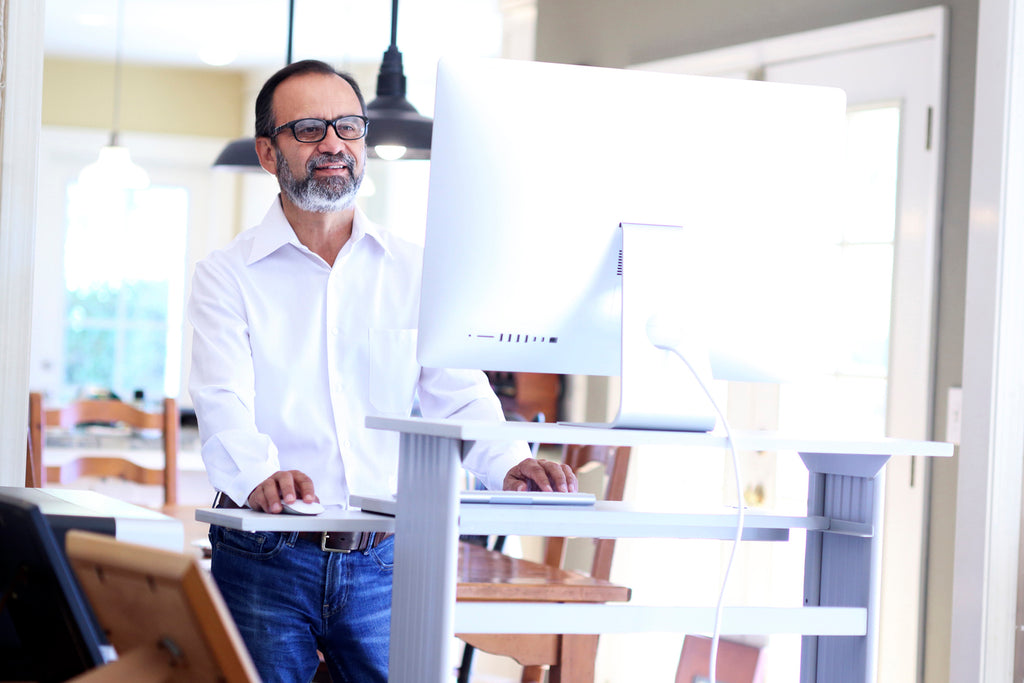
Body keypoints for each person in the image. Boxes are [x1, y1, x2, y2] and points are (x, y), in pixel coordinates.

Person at [187, 59, 577, 683]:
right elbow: (222, 399)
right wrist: (262, 476)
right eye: (310, 129)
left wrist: (510, 463)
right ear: (268, 152)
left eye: (348, 126)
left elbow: (459, 396)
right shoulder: (225, 276)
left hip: (386, 558)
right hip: (266, 554)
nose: (335, 144)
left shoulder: (416, 270)